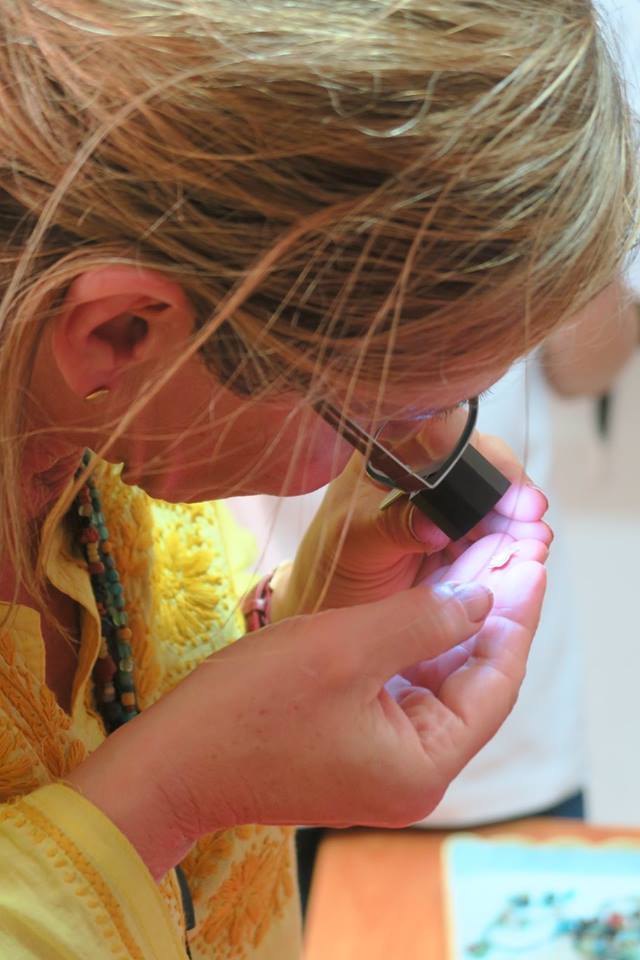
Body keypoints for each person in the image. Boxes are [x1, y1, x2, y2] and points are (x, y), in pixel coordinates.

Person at [0, 3, 636, 959]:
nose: (416, 454)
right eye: (377, 421)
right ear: (121, 331)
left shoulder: (137, 499)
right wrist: (175, 790)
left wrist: (313, 620)